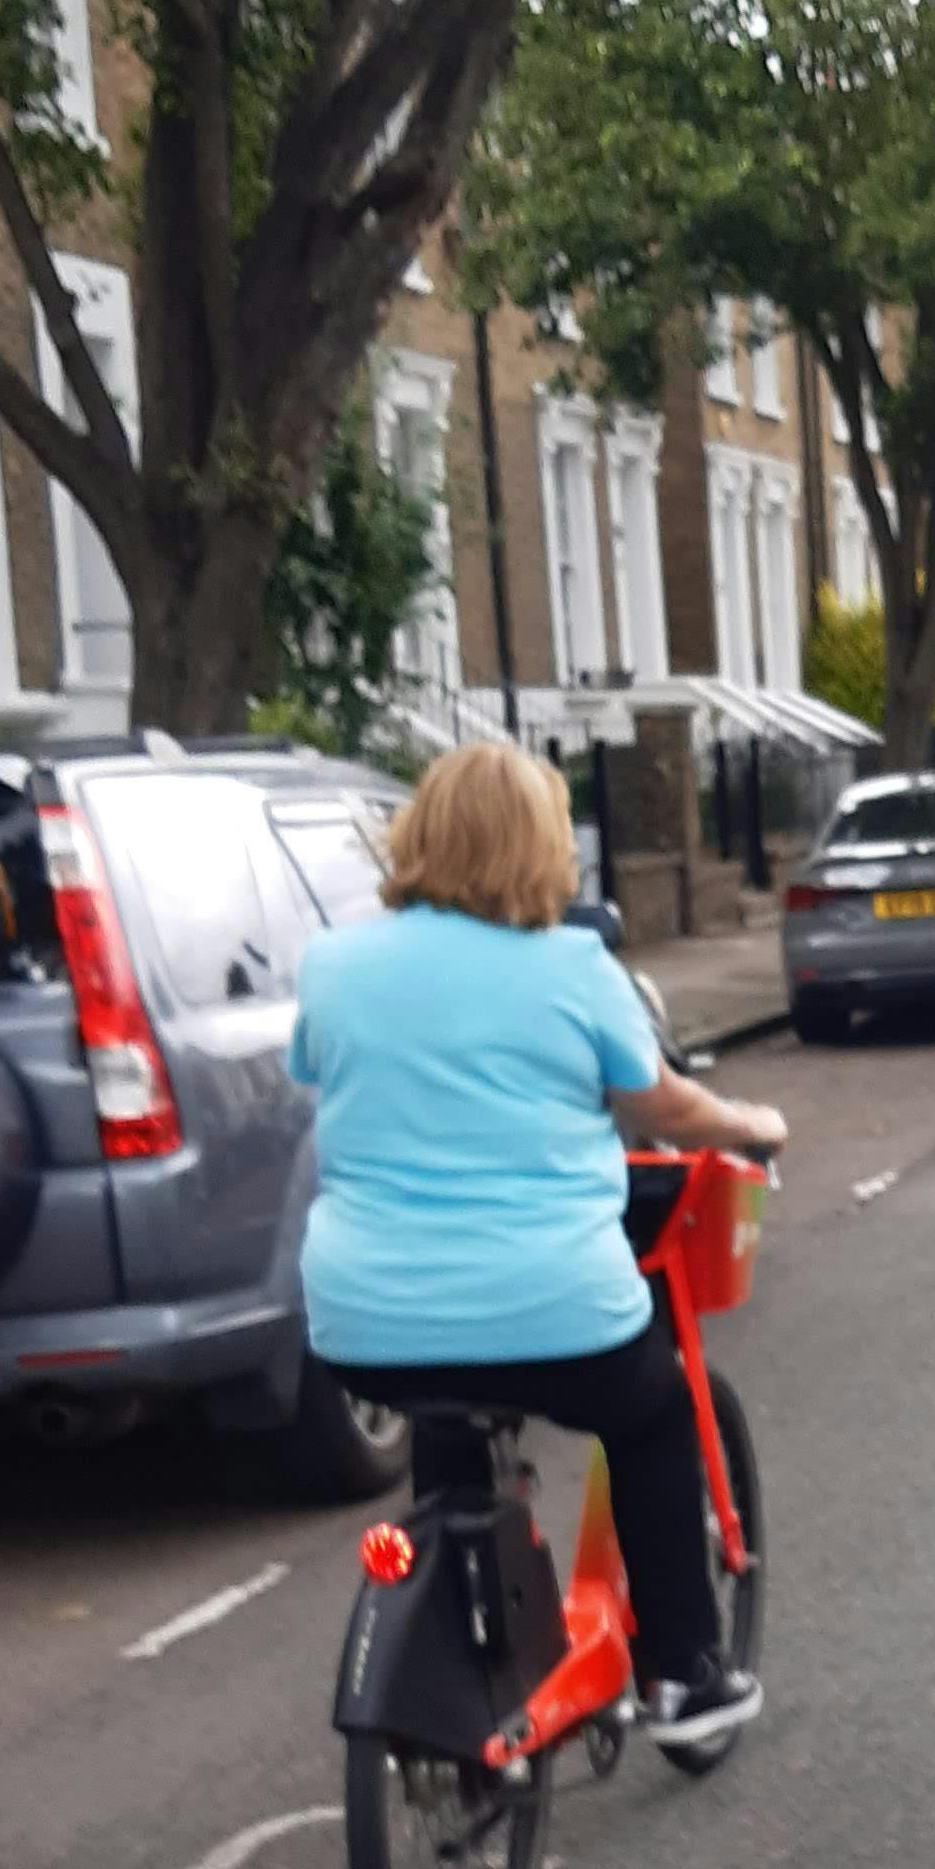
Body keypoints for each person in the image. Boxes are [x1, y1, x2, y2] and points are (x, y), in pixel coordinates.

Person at [289, 739, 786, 1750]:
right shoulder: (573, 967)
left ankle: (463, 1635)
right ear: (542, 848)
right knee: (652, 1416)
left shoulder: (332, 964)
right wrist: (749, 1124)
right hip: (553, 1314)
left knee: (447, 1406)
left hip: (363, 1326)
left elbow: (319, 1075)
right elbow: (662, 1106)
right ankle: (683, 1677)